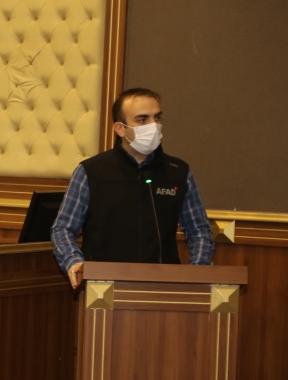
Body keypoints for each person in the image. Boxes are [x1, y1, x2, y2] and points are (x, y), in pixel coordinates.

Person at [51, 88, 215, 289]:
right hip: (102, 285)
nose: (153, 126)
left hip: (163, 284)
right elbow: (63, 228)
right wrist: (73, 262)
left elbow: (199, 229)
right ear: (120, 129)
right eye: (142, 120)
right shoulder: (91, 171)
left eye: (157, 118)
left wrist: (198, 271)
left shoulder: (178, 172)